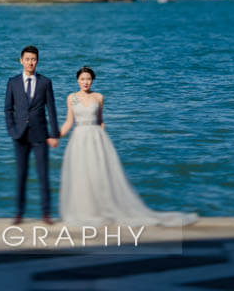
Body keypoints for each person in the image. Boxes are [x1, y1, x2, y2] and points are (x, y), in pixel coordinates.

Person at [58, 66, 199, 226]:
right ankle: (85, 211)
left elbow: (101, 121)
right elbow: (69, 122)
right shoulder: (71, 98)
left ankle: (102, 209)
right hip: (79, 139)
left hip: (97, 138)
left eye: (88, 79)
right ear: (77, 80)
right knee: (81, 175)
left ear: (92, 80)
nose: (85, 82)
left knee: (99, 174)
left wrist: (103, 142)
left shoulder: (99, 97)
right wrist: (55, 136)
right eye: (83, 79)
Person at [4, 45, 60, 225]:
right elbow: (8, 109)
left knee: (43, 175)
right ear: (21, 60)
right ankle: (19, 213)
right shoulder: (13, 82)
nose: (30, 62)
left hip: (40, 135)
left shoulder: (45, 82)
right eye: (27, 59)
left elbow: (51, 109)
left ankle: (46, 214)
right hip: (19, 136)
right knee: (21, 175)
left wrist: (54, 134)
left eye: (33, 59)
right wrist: (12, 130)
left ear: (38, 61)